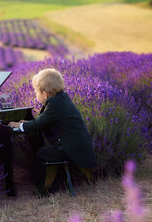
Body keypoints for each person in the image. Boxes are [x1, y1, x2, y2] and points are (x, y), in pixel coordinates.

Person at [8, 68, 97, 197]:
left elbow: (39, 124)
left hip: (72, 149)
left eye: (36, 92)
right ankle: (49, 186)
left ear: (45, 94)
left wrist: (19, 125)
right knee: (48, 152)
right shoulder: (62, 99)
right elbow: (43, 120)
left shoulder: (54, 104)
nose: (35, 95)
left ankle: (43, 189)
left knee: (42, 153)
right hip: (78, 146)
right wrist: (25, 123)